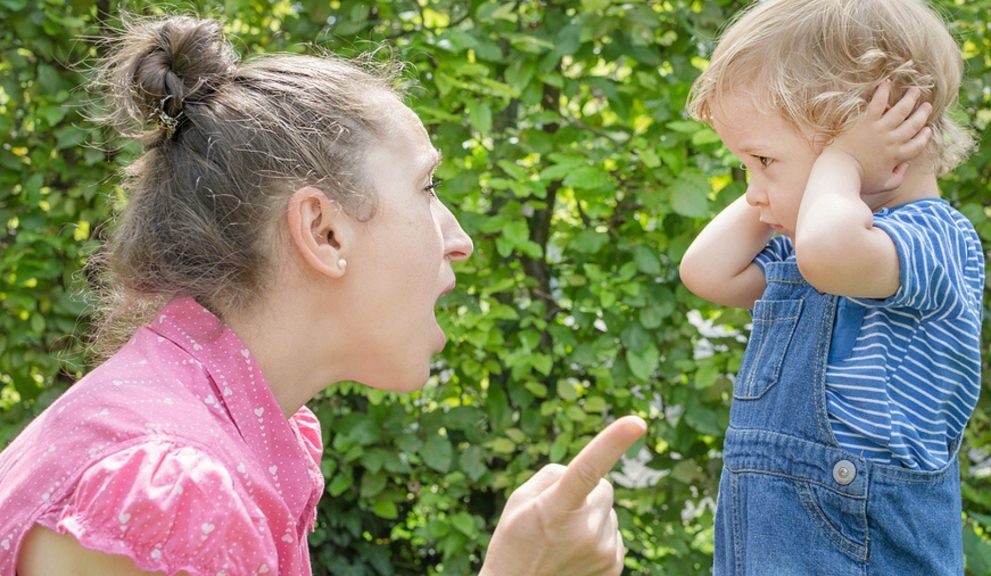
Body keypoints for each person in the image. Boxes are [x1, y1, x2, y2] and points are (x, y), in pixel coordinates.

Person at [0, 16, 647, 576]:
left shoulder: (206, 426)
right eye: (427, 188)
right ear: (322, 231)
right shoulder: (175, 490)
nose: (460, 241)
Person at [677, 0, 983, 574]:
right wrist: (779, 185)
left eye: (764, 160)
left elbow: (826, 253)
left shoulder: (933, 240)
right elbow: (705, 272)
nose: (752, 191)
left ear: (876, 132)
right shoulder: (811, 242)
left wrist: (840, 159)